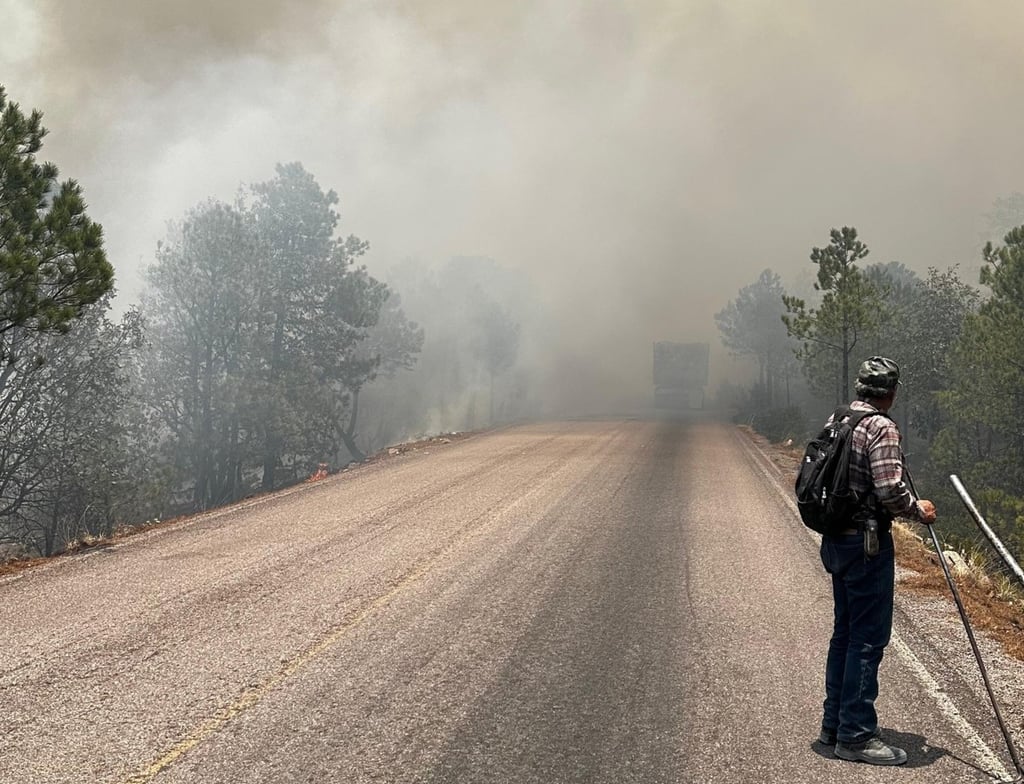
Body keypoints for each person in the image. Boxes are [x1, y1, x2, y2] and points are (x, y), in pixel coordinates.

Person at [816, 356, 937, 765]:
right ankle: (856, 736)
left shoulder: (841, 418)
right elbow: (889, 491)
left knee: (845, 635)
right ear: (891, 391)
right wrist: (918, 510)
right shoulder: (881, 427)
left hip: (837, 540)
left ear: (860, 388)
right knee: (867, 641)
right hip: (867, 546)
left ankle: (834, 725)